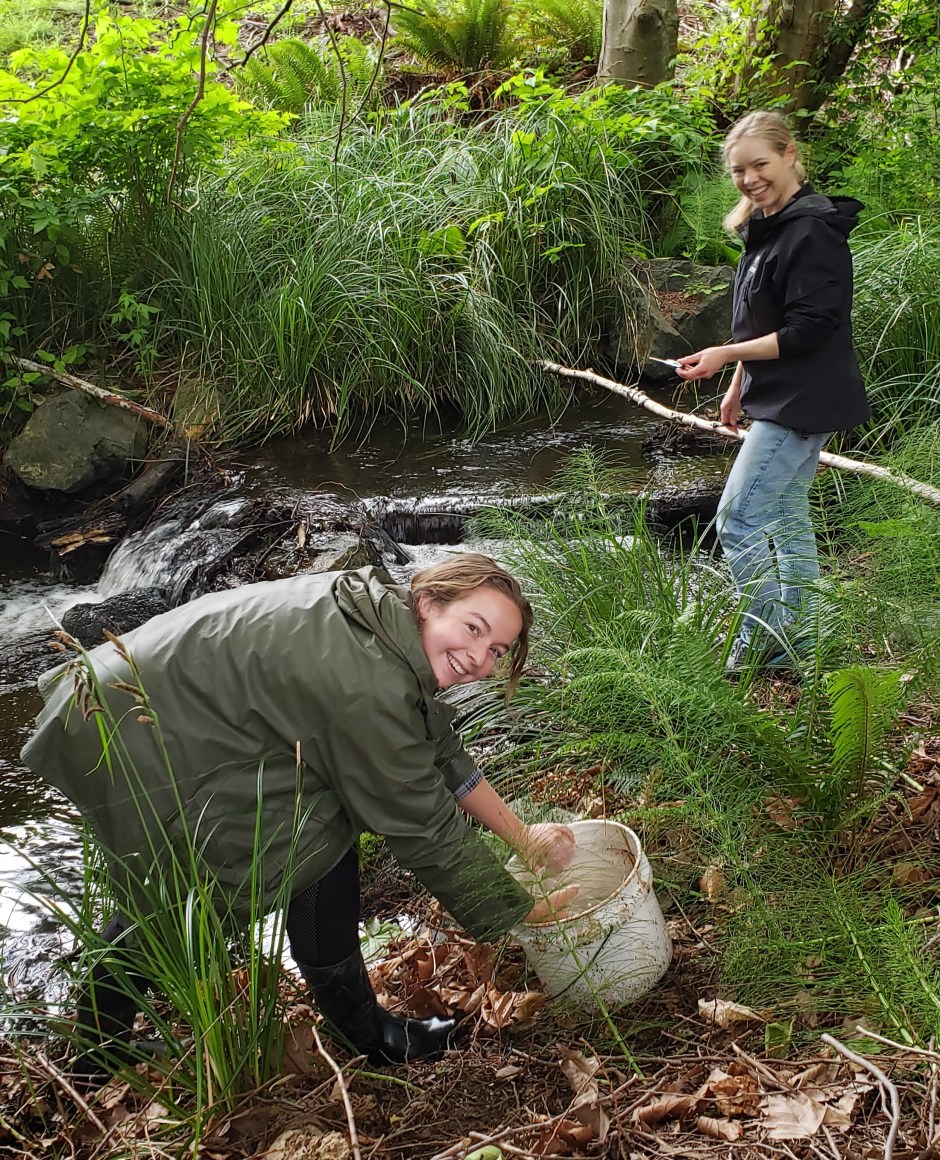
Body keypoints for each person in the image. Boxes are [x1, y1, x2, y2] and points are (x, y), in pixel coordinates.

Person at [21, 554, 578, 1067]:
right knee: (194, 883)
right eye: (474, 628)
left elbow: (437, 748)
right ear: (431, 602)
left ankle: (362, 1032)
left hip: (165, 703)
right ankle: (97, 1054)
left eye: (497, 650)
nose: (479, 656)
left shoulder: (382, 618)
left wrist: (521, 835)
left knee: (317, 830)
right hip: (130, 727)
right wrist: (515, 911)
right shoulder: (367, 680)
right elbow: (422, 823)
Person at [675, 110, 870, 672]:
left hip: (803, 399)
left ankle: (760, 639)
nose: (750, 178)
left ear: (789, 154)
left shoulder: (812, 231)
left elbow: (811, 329)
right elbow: (758, 322)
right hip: (780, 395)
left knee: (736, 518)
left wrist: (724, 355)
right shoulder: (766, 228)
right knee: (784, 514)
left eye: (759, 164)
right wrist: (737, 384)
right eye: (738, 170)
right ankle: (801, 640)